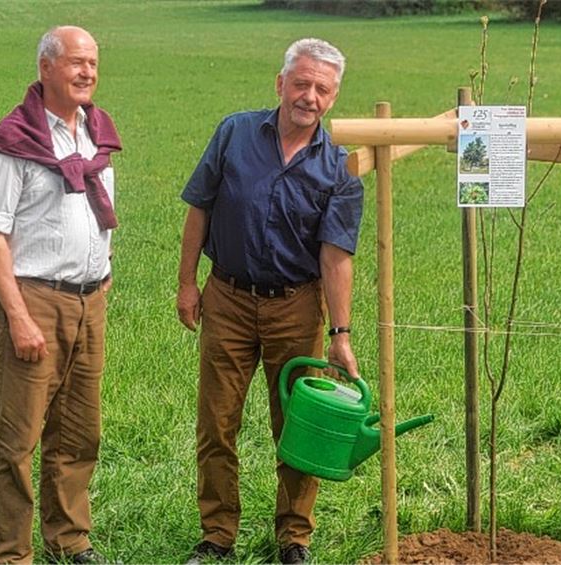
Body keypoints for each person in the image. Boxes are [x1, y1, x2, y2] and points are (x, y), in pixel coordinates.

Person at [177, 37, 363, 565]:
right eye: (301, 83)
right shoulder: (234, 132)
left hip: (297, 306)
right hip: (228, 299)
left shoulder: (339, 167)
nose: (309, 96)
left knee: (298, 424)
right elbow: (199, 209)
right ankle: (217, 534)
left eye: (321, 89)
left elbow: (336, 255)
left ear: (333, 97)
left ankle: (294, 537)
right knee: (217, 423)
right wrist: (188, 283)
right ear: (280, 83)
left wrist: (340, 335)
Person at [0, 26, 119, 565]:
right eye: (76, 62)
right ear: (46, 68)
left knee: (79, 432)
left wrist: (102, 271)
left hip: (88, 300)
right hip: (35, 300)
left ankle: (69, 539)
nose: (87, 73)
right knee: (18, 440)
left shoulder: (95, 133)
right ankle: (10, 553)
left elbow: (96, 210)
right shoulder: (14, 143)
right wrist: (19, 317)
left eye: (93, 64)